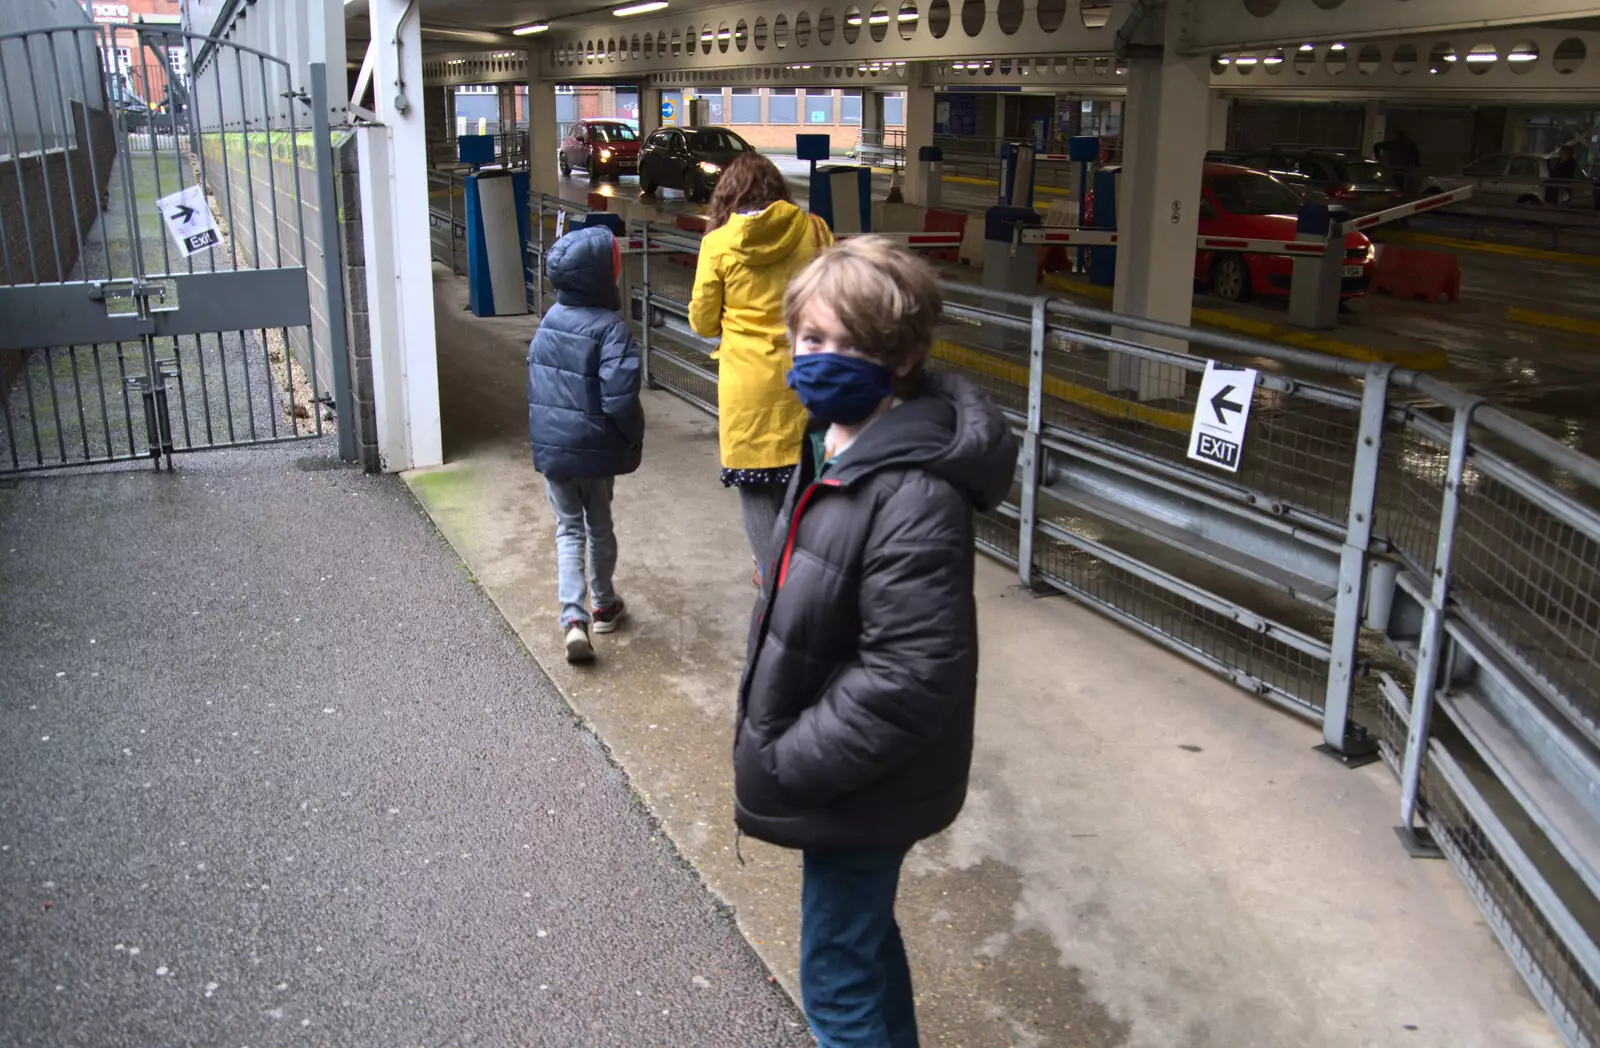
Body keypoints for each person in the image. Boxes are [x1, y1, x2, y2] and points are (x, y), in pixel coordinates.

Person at [733, 237, 1019, 1048]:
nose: (822, 360)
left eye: (850, 345)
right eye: (811, 340)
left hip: (855, 781)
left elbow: (911, 674)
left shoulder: (914, 491)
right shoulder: (833, 445)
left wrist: (790, 759)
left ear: (901, 358)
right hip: (856, 777)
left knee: (836, 981)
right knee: (861, 944)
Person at [688, 152, 833, 587]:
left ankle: (775, 582)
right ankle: (796, 575)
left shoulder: (717, 244)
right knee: (800, 481)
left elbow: (701, 321)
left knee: (755, 487)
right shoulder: (814, 231)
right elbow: (835, 300)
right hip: (805, 380)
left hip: (746, 385)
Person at [526, 225, 645, 663]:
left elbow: (536, 385)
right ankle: (604, 605)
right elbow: (619, 397)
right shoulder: (612, 329)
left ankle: (573, 620)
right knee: (598, 526)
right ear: (601, 276)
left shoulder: (548, 322)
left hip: (554, 452)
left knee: (567, 529)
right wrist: (633, 436)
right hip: (595, 452)